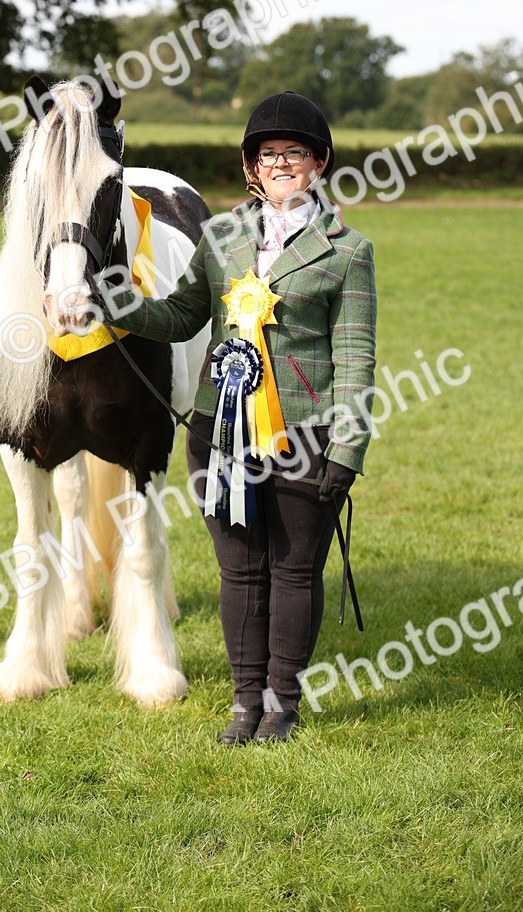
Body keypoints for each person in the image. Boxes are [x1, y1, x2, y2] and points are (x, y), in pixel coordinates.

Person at [104, 92, 377, 745]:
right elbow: (181, 315)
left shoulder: (348, 250)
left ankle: (283, 703)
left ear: (318, 163)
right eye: (268, 153)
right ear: (252, 166)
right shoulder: (221, 234)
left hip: (304, 432)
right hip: (219, 430)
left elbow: (356, 354)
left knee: (294, 568)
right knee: (241, 570)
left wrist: (348, 447)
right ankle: (243, 701)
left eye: (294, 152)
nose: (280, 162)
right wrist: (119, 305)